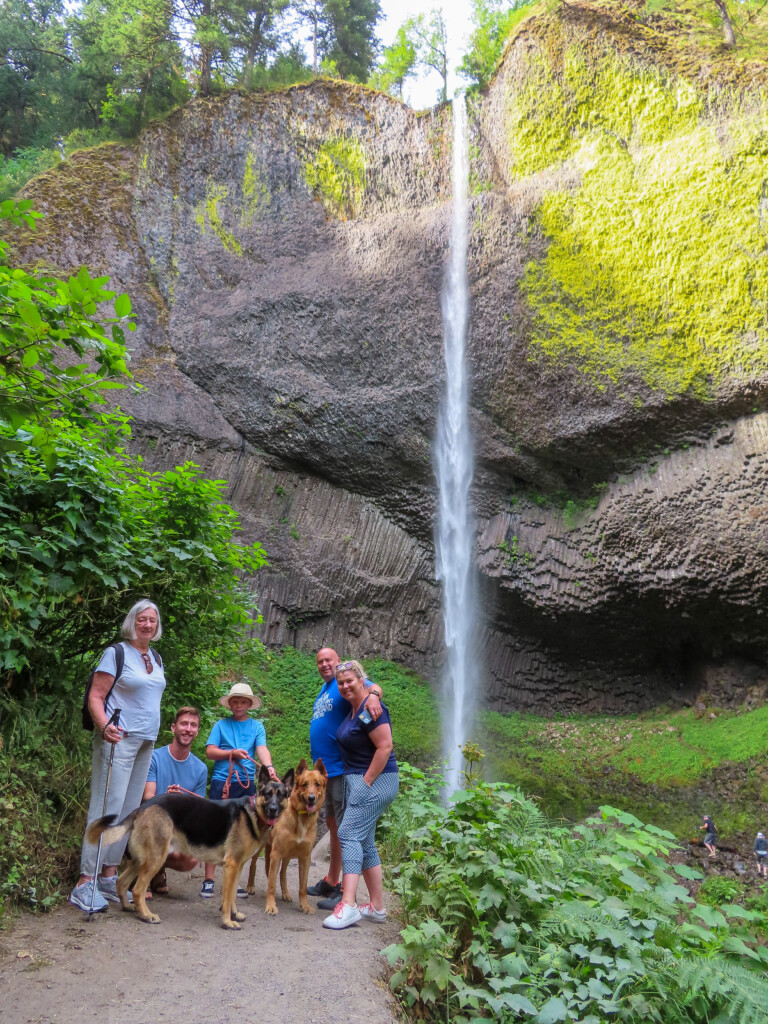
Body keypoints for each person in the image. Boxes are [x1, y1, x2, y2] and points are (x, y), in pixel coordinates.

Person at [69, 599, 166, 913]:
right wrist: (104, 724)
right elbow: (96, 696)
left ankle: (109, 875)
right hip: (117, 739)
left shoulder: (156, 657)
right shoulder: (117, 653)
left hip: (145, 742)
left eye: (152, 620)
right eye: (142, 619)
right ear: (132, 622)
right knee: (106, 806)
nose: (147, 624)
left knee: (127, 811)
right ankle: (86, 881)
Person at [322, 659, 398, 930]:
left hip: (377, 780)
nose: (344, 686)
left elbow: (385, 747)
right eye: (341, 683)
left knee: (348, 833)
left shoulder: (371, 708)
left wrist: (365, 782)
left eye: (349, 681)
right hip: (361, 781)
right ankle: (377, 907)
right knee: (364, 841)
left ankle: (349, 904)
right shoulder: (354, 709)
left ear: (362, 681)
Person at [306, 647, 382, 908]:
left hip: (339, 769)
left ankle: (343, 891)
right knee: (333, 825)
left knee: (344, 829)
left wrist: (373, 697)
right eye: (319, 661)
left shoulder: (344, 683)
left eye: (328, 660)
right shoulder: (327, 688)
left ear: (338, 662)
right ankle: (331, 879)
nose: (324, 664)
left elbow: (373, 687)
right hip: (325, 774)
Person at [200, 682, 278, 898]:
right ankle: (209, 879)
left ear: (249, 704)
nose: (239, 705)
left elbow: (261, 748)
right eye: (235, 701)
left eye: (243, 701)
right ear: (230, 703)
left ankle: (234, 880)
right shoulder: (221, 725)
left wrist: (269, 767)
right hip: (221, 782)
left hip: (245, 783)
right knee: (215, 828)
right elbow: (210, 751)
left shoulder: (257, 726)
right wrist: (231, 753)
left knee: (241, 831)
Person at [141, 705, 208, 896]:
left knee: (191, 857)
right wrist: (168, 799)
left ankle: (157, 869)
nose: (188, 728)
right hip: (151, 821)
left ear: (197, 731)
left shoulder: (201, 769)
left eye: (193, 725)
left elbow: (197, 810)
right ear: (173, 727)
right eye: (184, 723)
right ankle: (142, 873)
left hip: (177, 828)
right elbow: (148, 797)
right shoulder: (154, 757)